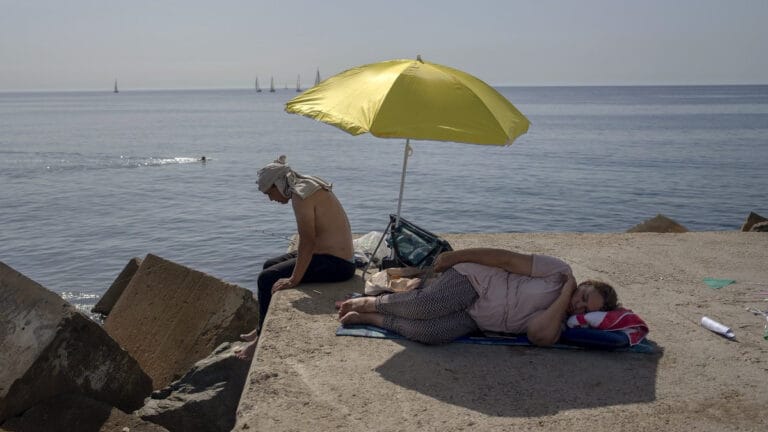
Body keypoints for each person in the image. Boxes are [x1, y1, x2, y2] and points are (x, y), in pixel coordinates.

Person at [338, 248, 618, 346]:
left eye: (584, 307)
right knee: (428, 305)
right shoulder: (559, 271)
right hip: (477, 282)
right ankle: (372, 302)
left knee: (432, 334)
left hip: (477, 319)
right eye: (583, 294)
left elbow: (537, 336)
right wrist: (456, 257)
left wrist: (567, 295)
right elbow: (506, 260)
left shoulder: (560, 322)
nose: (578, 303)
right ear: (586, 284)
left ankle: (374, 318)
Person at [237, 155, 355, 360]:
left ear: (278, 184)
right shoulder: (306, 185)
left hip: (338, 264)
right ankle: (259, 328)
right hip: (329, 254)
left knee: (266, 278)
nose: (270, 198)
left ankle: (260, 341)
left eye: (269, 192)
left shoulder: (301, 195)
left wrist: (294, 279)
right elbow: (310, 240)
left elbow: (307, 241)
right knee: (269, 265)